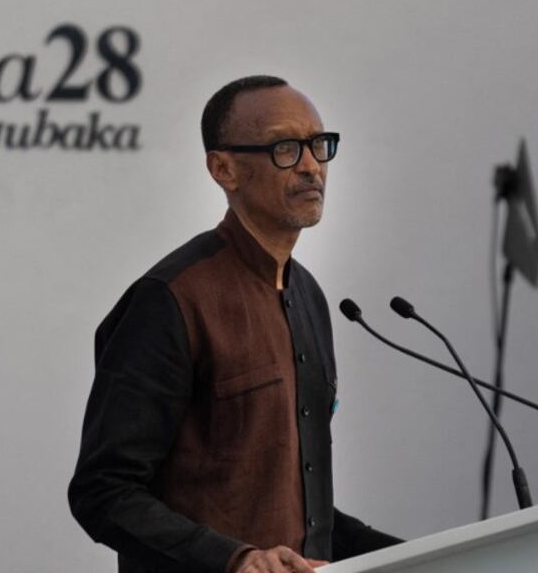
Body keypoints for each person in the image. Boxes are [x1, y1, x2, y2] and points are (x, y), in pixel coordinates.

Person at [68, 76, 400, 573]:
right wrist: (235, 560)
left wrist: (436, 554)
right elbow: (103, 490)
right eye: (286, 148)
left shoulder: (308, 296)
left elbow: (294, 507)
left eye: (319, 146)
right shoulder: (171, 299)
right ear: (224, 169)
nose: (311, 165)